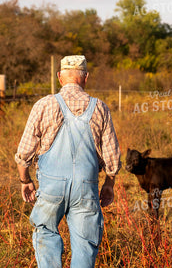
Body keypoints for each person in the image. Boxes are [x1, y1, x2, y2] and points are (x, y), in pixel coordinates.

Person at [14, 55, 121, 268]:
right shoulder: (99, 108)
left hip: (51, 187)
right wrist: (109, 184)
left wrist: (24, 180)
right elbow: (112, 157)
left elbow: (24, 152)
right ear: (86, 77)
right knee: (85, 243)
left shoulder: (43, 105)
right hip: (86, 188)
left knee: (46, 233)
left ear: (59, 77)